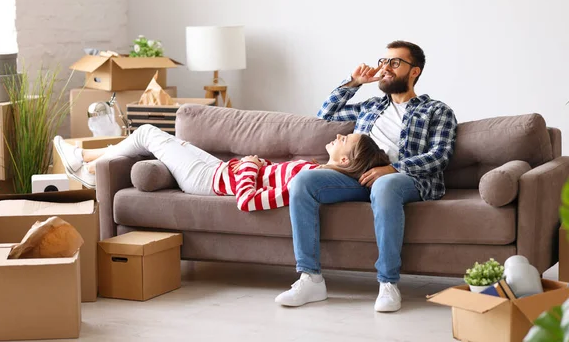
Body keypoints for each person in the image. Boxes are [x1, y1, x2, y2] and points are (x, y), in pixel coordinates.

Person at [275, 41, 458, 312]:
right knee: (303, 181)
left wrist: (394, 168)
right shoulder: (369, 106)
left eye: (395, 63)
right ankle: (310, 278)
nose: (385, 67)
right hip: (356, 177)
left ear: (414, 72)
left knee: (384, 185)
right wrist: (354, 82)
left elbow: (440, 155)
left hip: (406, 180)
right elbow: (325, 115)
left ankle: (388, 283)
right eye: (384, 61)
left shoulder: (436, 110)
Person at [54, 124, 390, 212]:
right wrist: (257, 165)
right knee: (169, 141)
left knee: (145, 133)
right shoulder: (316, 171)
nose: (339, 135)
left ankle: (85, 166)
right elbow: (267, 179)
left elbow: (247, 200)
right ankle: (86, 162)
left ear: (344, 161)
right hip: (219, 169)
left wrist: (248, 166)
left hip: (208, 181)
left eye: (345, 140)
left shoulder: (310, 180)